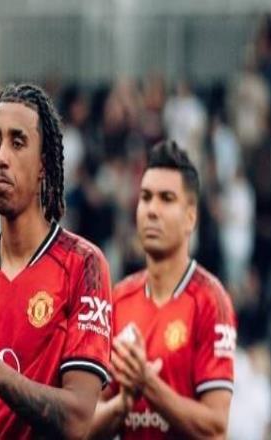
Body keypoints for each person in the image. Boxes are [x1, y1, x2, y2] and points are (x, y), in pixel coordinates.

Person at [0, 83, 112, 439]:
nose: (1, 157)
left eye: (17, 142)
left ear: (43, 163)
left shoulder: (83, 266)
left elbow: (78, 420)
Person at [89, 140, 236, 439]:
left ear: (191, 217)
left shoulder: (211, 301)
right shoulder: (118, 300)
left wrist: (148, 384)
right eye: (146, 197)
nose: (152, 210)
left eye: (167, 199)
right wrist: (122, 405)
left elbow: (215, 429)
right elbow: (85, 425)